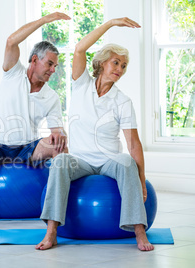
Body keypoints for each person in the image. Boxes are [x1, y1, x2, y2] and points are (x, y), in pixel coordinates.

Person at [36, 17, 155, 251]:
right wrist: (110, 24)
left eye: (123, 66)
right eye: (116, 63)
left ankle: (139, 232)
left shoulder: (123, 101)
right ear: (101, 63)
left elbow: (133, 144)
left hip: (109, 160)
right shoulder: (80, 84)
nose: (119, 69)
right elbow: (80, 48)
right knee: (59, 161)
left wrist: (141, 182)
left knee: (126, 161)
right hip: (80, 160)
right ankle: (51, 232)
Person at [0, 12, 71, 228]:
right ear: (34, 60)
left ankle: (55, 212)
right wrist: (43, 21)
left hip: (27, 148)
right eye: (50, 64)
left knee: (61, 148)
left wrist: (59, 136)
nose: (53, 70)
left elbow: (57, 130)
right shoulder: (13, 73)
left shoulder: (51, 96)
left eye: (55, 66)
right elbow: (11, 41)